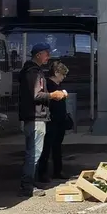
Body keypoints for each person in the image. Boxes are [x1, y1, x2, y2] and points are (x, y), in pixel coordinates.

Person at [18, 42, 67, 198]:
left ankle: (31, 182)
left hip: (34, 116)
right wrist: (53, 95)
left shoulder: (32, 71)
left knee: (34, 152)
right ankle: (27, 186)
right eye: (47, 53)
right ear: (39, 54)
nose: (49, 57)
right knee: (33, 153)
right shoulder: (34, 72)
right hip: (35, 117)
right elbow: (36, 95)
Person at [36, 61, 71, 183]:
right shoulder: (48, 85)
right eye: (62, 74)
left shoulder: (57, 85)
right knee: (46, 147)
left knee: (57, 146)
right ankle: (42, 173)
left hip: (59, 120)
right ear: (56, 73)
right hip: (51, 120)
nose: (63, 77)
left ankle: (58, 170)